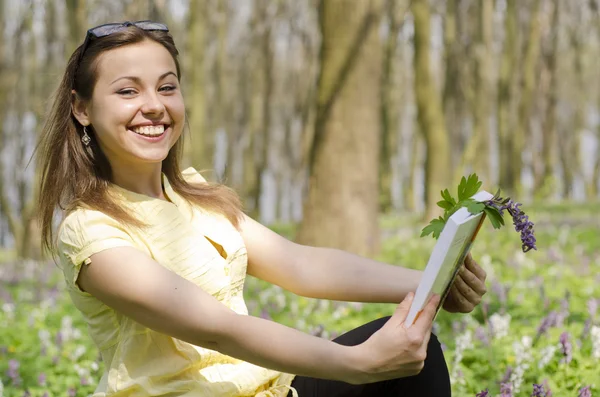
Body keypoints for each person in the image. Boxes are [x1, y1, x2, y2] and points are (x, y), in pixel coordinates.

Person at [36, 20, 487, 397]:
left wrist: (431, 284)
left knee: (417, 359)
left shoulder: (193, 193)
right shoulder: (90, 231)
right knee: (381, 361)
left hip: (269, 390)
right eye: (127, 92)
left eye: (167, 87)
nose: (154, 106)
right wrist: (356, 364)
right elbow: (218, 329)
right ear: (82, 109)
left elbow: (300, 264)